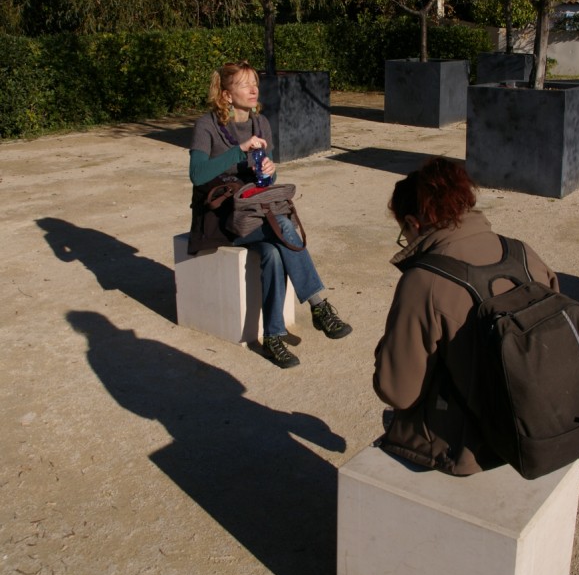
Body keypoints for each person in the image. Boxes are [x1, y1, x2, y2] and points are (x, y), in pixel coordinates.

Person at [374, 156, 559, 474]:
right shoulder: (523, 252)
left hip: (475, 445)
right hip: (543, 416)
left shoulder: (424, 281)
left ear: (413, 223)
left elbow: (398, 392)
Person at [188, 61, 352, 368]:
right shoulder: (206, 125)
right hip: (220, 219)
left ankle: (273, 337)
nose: (253, 90)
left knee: (274, 254)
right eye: (244, 85)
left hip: (254, 213)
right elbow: (197, 175)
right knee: (284, 228)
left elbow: (267, 181)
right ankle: (319, 306)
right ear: (226, 94)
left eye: (255, 83)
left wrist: (268, 170)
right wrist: (239, 150)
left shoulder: (260, 123)